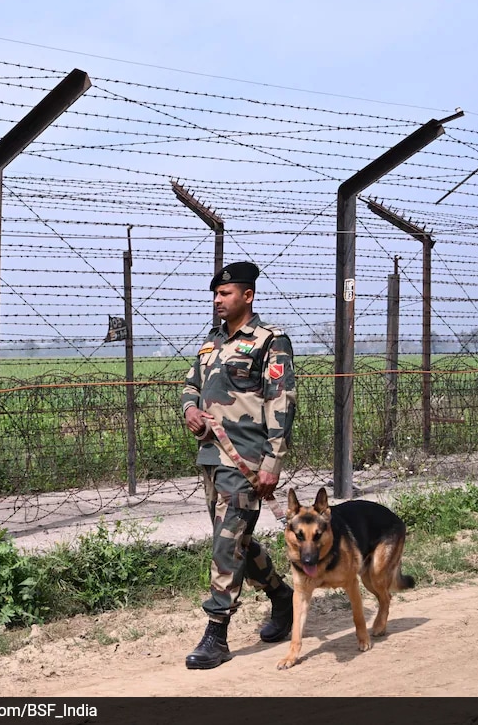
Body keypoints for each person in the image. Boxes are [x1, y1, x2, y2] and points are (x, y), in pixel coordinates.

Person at [181, 261, 297, 669]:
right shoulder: (211, 342)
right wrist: (190, 409)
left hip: (247, 459)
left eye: (225, 293)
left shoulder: (270, 341)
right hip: (212, 456)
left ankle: (216, 633)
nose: (218, 299)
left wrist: (272, 462)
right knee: (231, 540)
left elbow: (282, 402)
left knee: (226, 543)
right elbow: (190, 385)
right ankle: (282, 595)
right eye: (216, 294)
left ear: (247, 296)